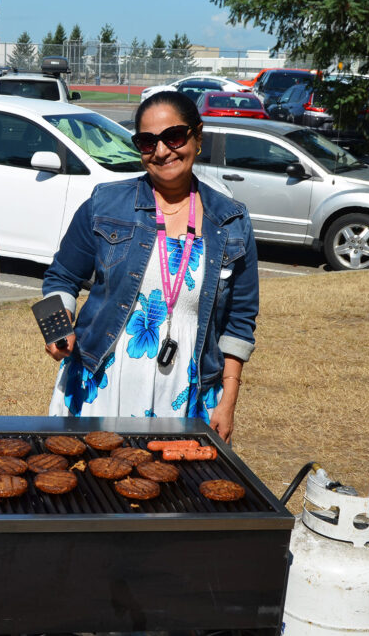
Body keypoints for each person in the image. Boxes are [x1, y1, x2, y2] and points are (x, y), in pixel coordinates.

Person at [42, 91, 258, 441]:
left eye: (173, 137)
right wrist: (57, 325)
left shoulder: (232, 221)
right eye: (147, 142)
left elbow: (240, 319)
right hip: (102, 379)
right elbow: (61, 277)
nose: (161, 151)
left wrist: (228, 398)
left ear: (198, 136)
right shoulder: (104, 204)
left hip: (187, 387)